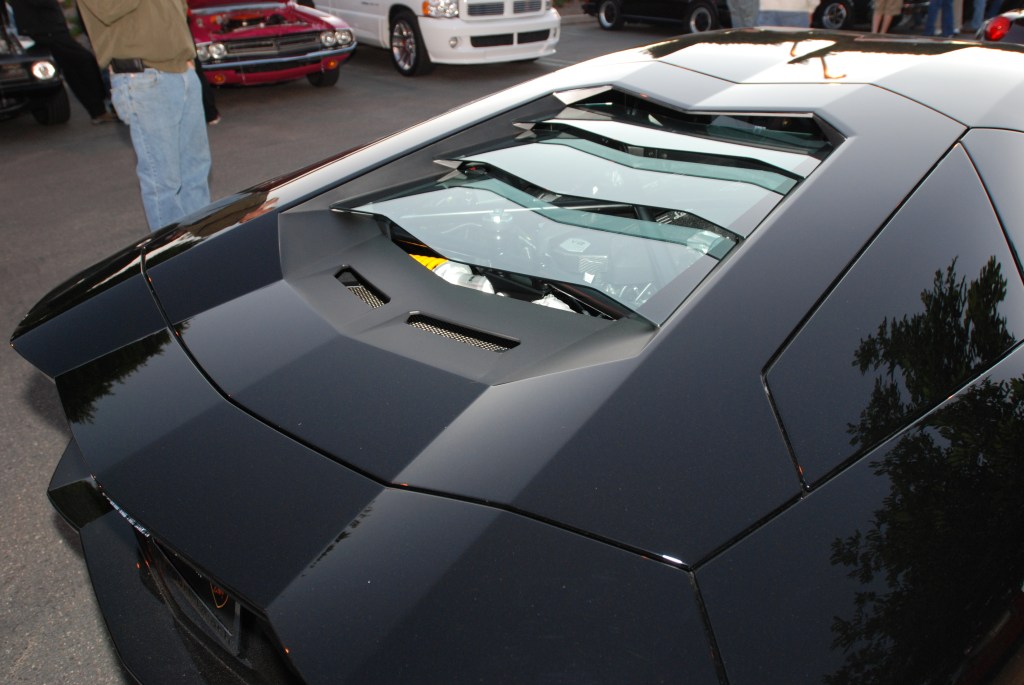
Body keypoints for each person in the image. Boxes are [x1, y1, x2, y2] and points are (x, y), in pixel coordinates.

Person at [76, 0, 212, 232]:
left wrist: (187, 61)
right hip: (143, 78)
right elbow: (107, 9)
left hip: (181, 71)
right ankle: (171, 259)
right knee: (164, 181)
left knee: (196, 172)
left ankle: (199, 249)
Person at [7, 0, 115, 124]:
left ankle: (98, 111)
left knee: (74, 69)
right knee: (84, 62)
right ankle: (101, 108)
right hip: (46, 30)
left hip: (49, 29)